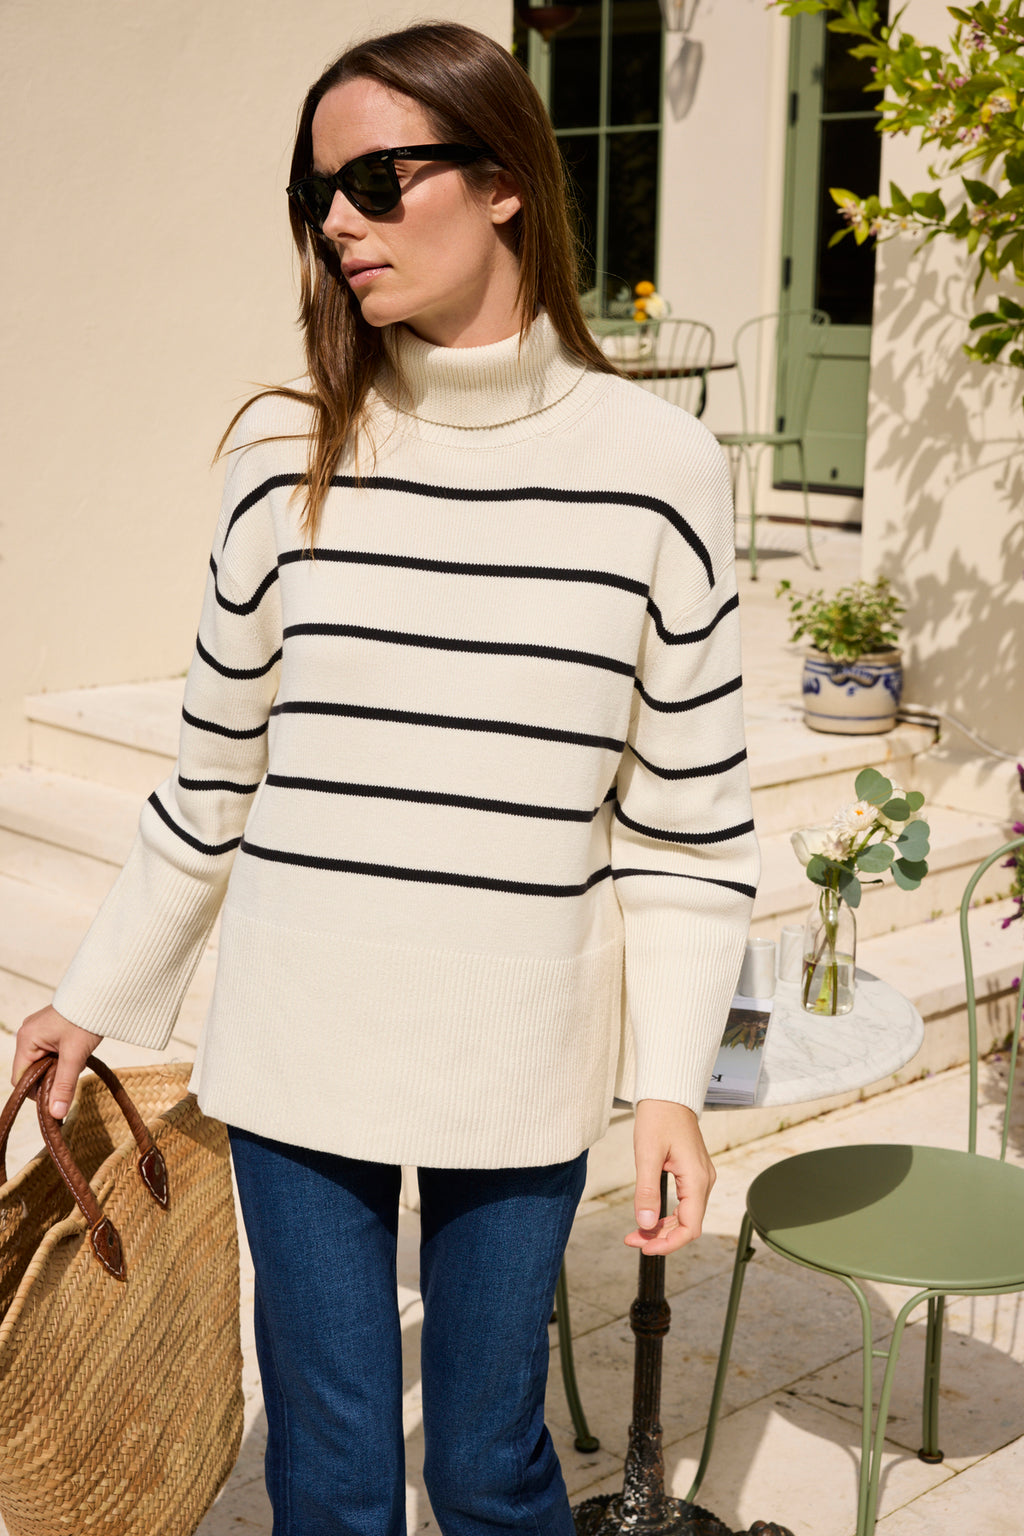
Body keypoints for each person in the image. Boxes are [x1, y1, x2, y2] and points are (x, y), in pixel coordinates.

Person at [14, 22, 759, 1536]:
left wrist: (673, 1080)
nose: (340, 220)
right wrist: (93, 995)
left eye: (373, 176)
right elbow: (209, 782)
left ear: (504, 184)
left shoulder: (660, 468)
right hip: (296, 1048)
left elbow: (687, 827)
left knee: (491, 1471)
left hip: (526, 1049)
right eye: (317, 196)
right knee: (335, 1476)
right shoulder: (286, 456)